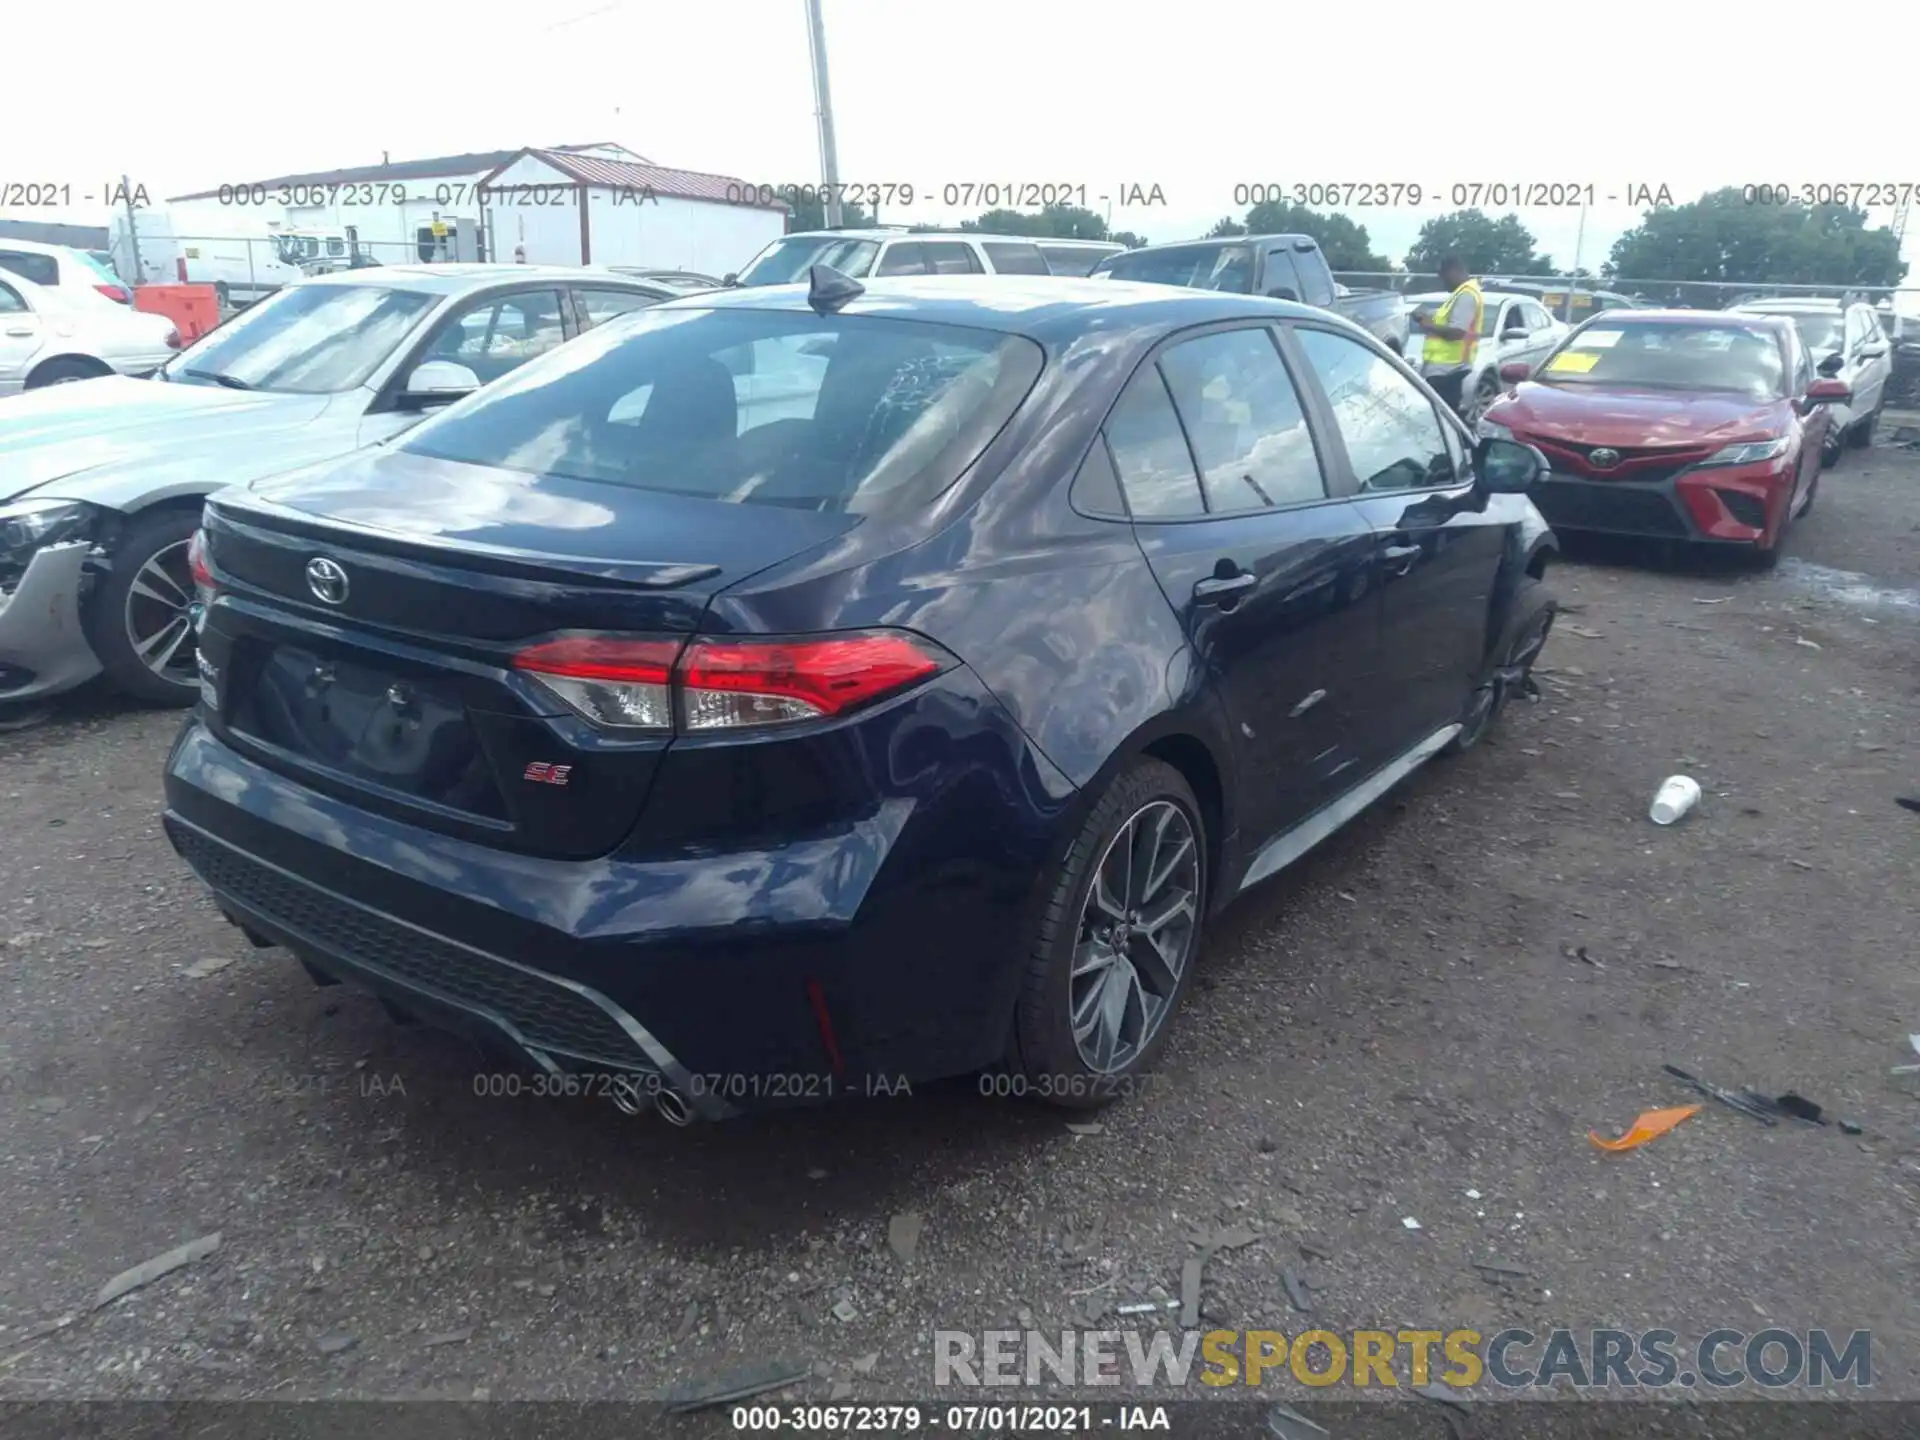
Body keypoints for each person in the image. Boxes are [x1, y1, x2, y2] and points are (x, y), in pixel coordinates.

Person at [1411, 254, 1483, 415]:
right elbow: (1447, 319)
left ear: (1456, 271)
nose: (1443, 282)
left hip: (1449, 371)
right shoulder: (1460, 294)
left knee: (1445, 419)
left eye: (1444, 277)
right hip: (1445, 370)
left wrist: (1430, 326)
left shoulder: (1466, 295)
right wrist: (1427, 316)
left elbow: (1457, 332)